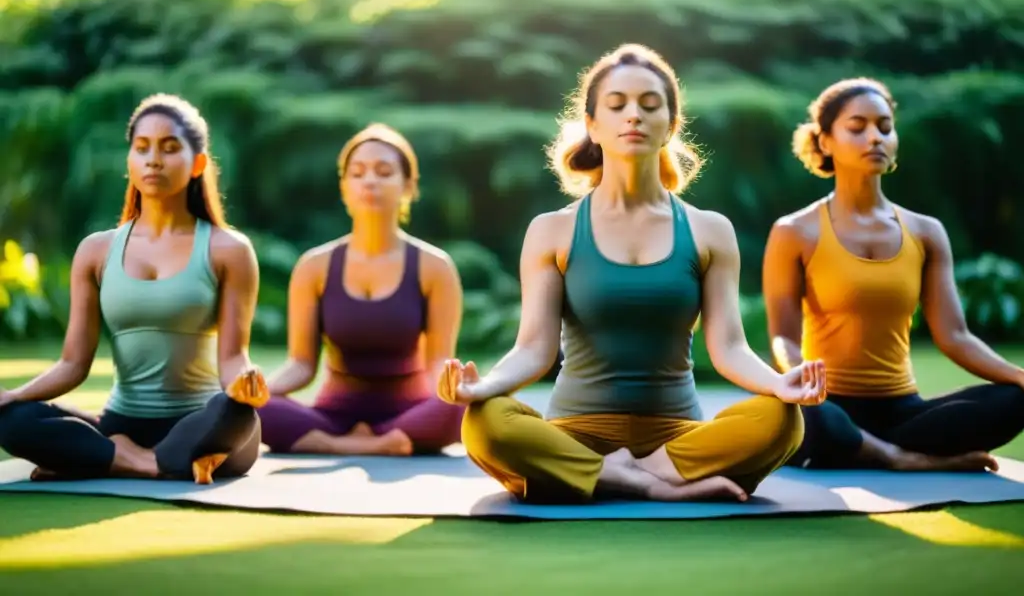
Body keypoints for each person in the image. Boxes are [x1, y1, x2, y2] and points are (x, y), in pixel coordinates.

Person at [437, 44, 826, 504]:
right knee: (485, 421)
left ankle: (628, 474)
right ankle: (638, 480)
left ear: (671, 124)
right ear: (593, 126)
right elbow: (533, 349)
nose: (634, 116)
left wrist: (779, 384)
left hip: (676, 437)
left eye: (649, 104)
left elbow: (729, 347)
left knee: (782, 420)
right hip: (575, 432)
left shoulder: (709, 230)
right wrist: (483, 387)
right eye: (617, 105)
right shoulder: (553, 230)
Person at [0, 94, 269, 484]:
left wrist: (247, 383)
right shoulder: (96, 250)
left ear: (197, 164)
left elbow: (233, 358)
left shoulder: (229, 249)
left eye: (169, 148)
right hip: (120, 425)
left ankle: (104, 459)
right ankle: (151, 461)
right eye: (142, 148)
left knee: (239, 415)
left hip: (202, 422)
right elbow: (73, 364)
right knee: (13, 420)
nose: (153, 159)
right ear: (130, 162)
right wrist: (15, 396)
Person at [763, 77, 1024, 472]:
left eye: (885, 127)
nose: (875, 138)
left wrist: (1020, 376)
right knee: (804, 417)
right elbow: (783, 335)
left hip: (904, 413)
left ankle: (873, 449)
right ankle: (898, 458)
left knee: (1013, 399)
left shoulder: (925, 232)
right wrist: (800, 379)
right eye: (857, 127)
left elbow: (954, 337)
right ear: (826, 141)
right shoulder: (794, 232)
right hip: (827, 406)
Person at [259, 123, 465, 456]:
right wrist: (259, 391)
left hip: (409, 413)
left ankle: (341, 445)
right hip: (334, 415)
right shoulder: (314, 266)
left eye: (384, 172)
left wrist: (459, 385)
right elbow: (301, 363)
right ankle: (365, 445)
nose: (370, 180)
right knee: (254, 406)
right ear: (344, 187)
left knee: (463, 405)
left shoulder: (435, 266)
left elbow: (437, 362)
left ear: (408, 185)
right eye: (358, 173)